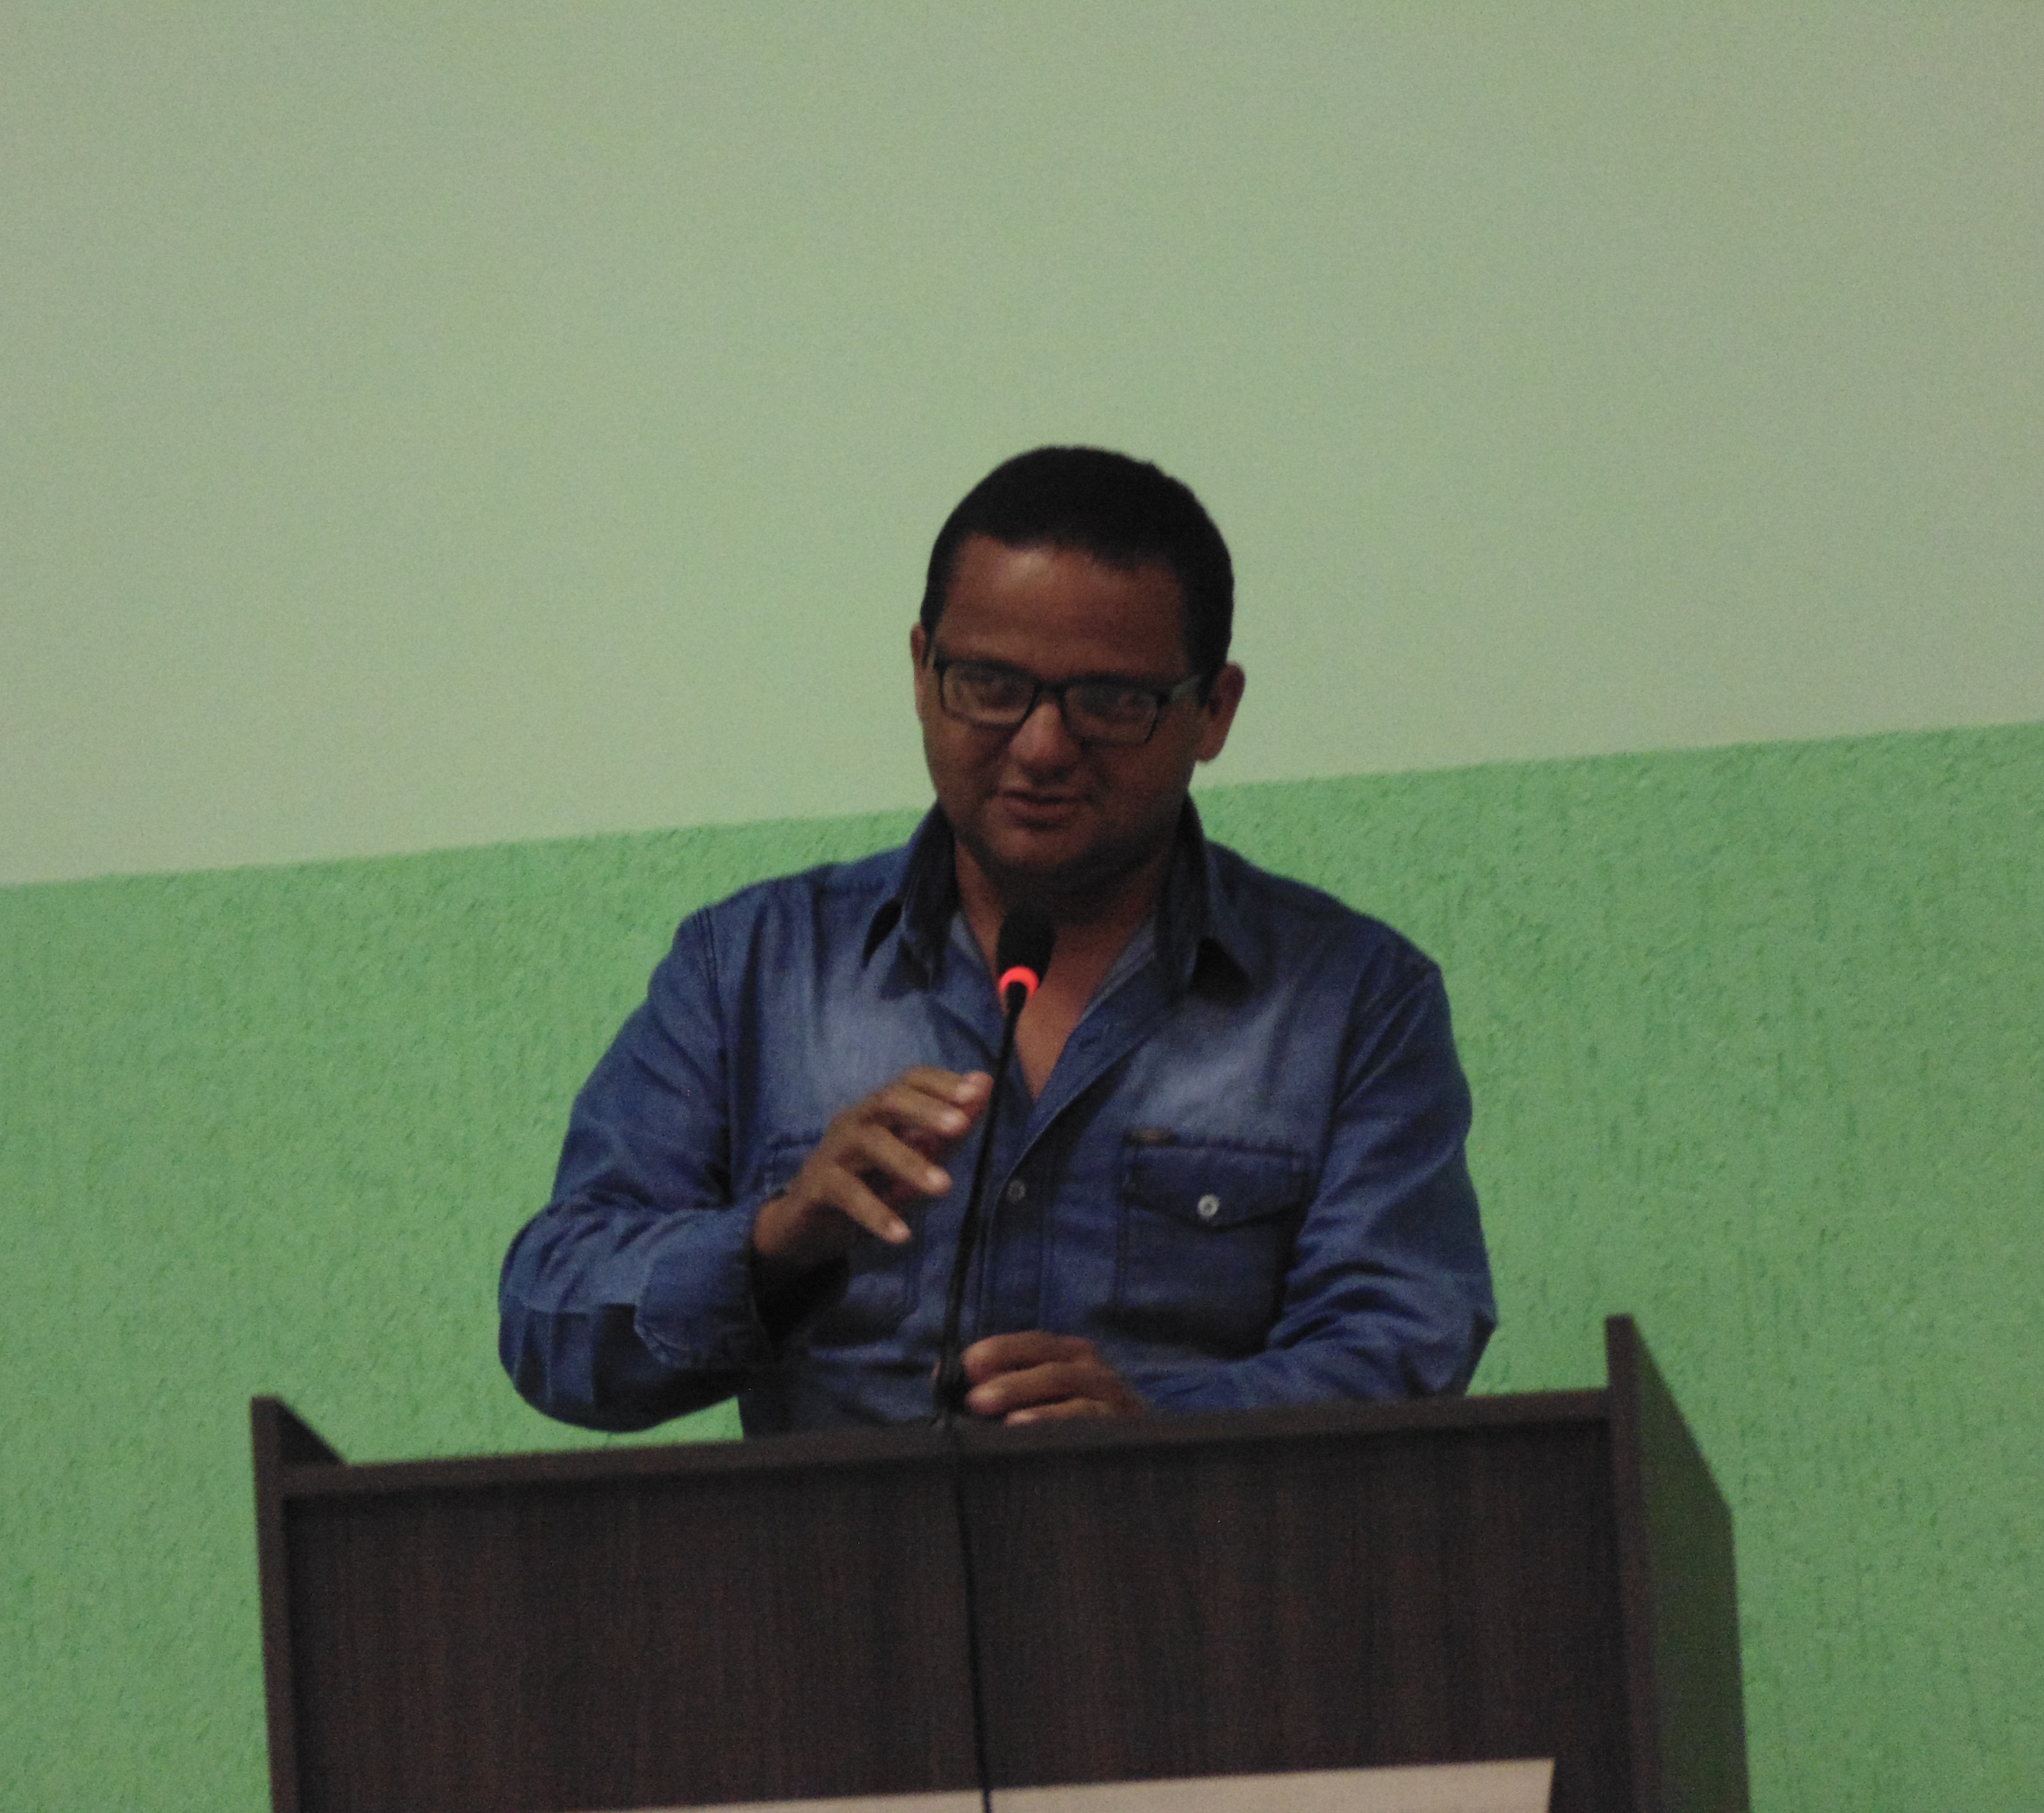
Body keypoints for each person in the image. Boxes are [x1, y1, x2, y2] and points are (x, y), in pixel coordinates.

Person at [499, 446, 1494, 1433]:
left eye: (1111, 702)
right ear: (921, 670)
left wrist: (1162, 1427)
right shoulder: (751, 970)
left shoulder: (1353, 997)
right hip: (840, 1542)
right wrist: (773, 1246)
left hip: (1189, 1538)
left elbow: (1406, 1336)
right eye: (988, 684)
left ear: (1213, 712)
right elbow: (551, 1319)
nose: (1042, 745)